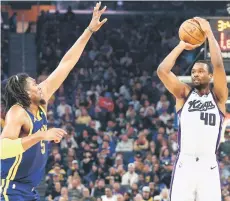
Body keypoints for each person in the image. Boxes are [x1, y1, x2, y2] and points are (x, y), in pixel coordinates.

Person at [0, 2, 107, 201]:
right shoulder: (17, 112)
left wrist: (89, 30)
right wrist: (42, 135)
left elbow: (66, 64)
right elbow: (3, 149)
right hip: (11, 189)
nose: (40, 85)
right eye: (34, 84)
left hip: (29, 191)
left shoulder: (41, 101)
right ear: (24, 93)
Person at [157, 17, 228, 201]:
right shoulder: (183, 95)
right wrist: (182, 45)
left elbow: (219, 64)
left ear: (210, 75)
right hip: (185, 163)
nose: (196, 74)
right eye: (193, 71)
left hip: (208, 165)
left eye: (201, 71)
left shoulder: (218, 98)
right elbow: (162, 71)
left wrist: (209, 33)